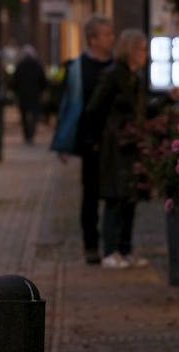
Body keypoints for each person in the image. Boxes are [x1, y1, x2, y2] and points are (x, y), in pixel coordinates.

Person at [83, 28, 158, 269]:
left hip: (131, 144)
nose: (145, 54)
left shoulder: (134, 77)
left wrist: (168, 101)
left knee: (130, 197)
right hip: (116, 145)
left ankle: (125, 249)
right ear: (131, 50)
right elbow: (95, 108)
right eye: (142, 49)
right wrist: (96, 139)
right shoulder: (114, 75)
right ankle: (111, 251)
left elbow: (143, 111)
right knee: (116, 197)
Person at [50, 15, 116, 264]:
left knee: (115, 192)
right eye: (107, 34)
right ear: (93, 39)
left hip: (115, 139)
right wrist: (63, 142)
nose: (112, 38)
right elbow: (67, 104)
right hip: (90, 140)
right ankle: (91, 244)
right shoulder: (77, 68)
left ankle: (114, 244)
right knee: (90, 192)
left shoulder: (116, 65)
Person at [11, 45, 45, 143]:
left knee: (24, 115)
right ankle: (31, 133)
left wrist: (16, 91)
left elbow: (14, 81)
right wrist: (41, 90)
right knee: (34, 115)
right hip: (35, 95)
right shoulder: (37, 66)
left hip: (23, 95)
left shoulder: (20, 66)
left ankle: (27, 134)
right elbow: (43, 81)